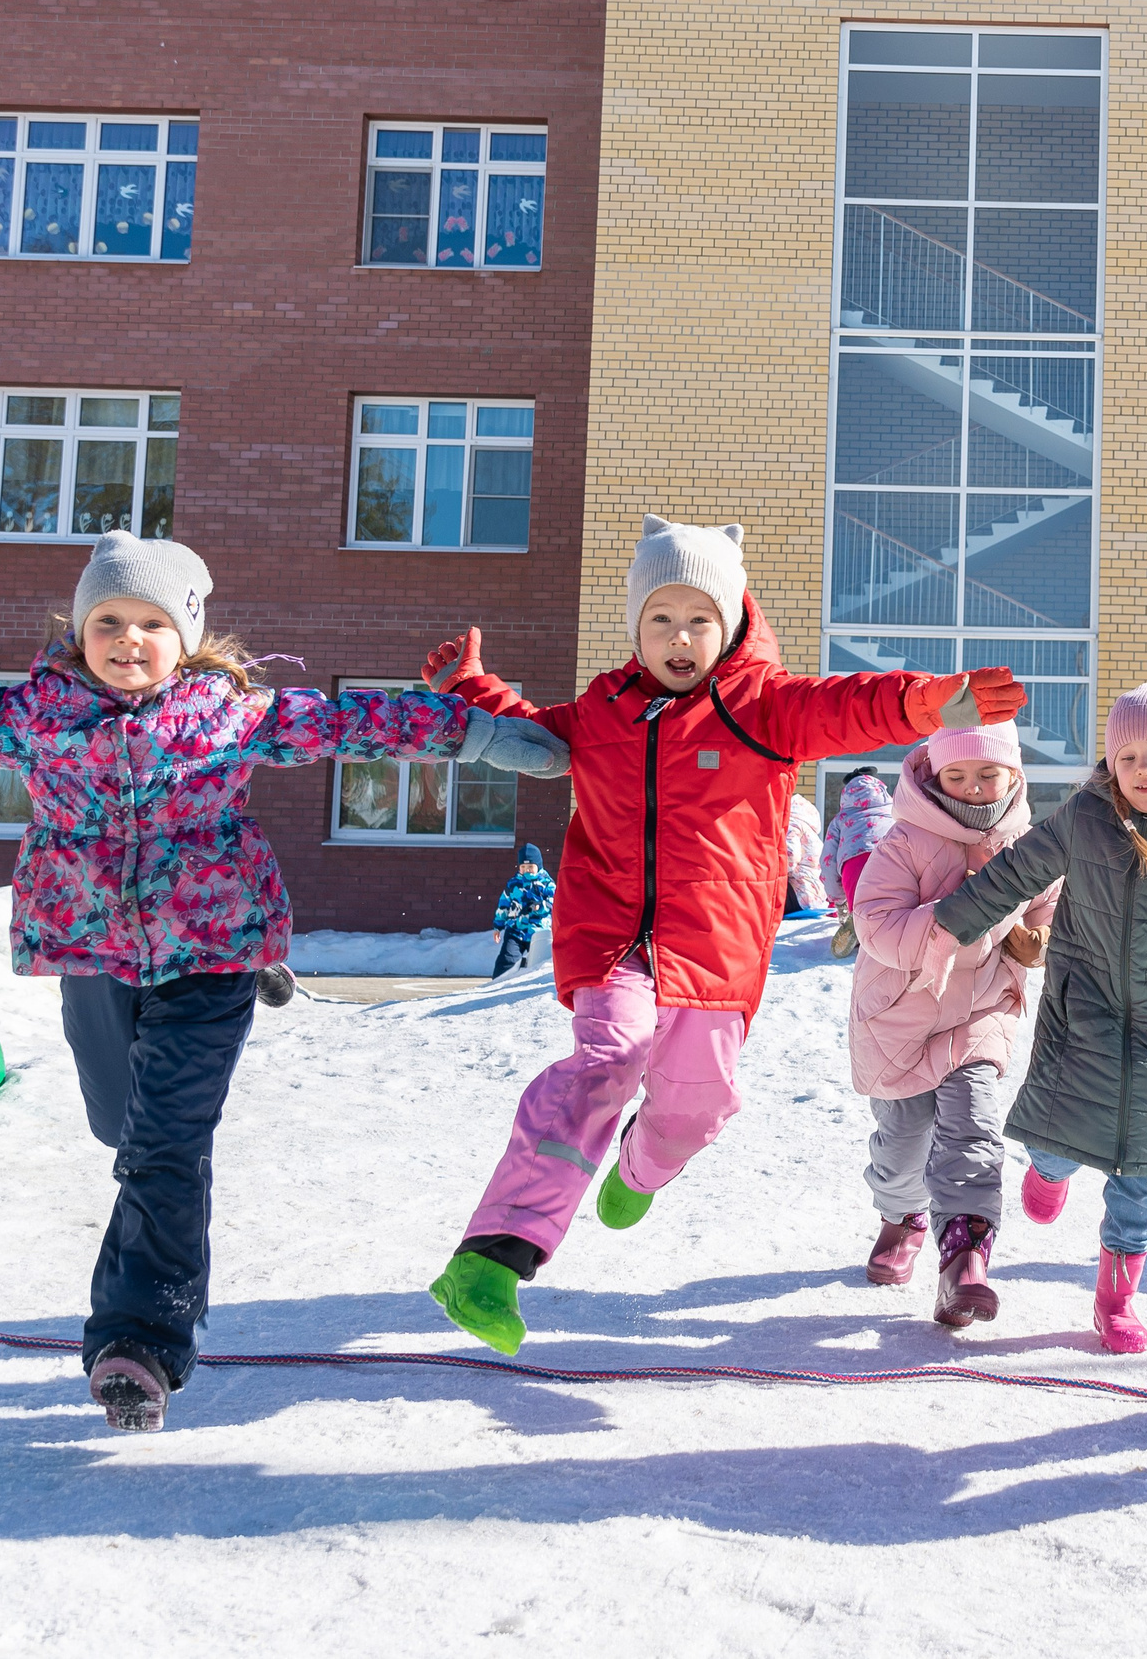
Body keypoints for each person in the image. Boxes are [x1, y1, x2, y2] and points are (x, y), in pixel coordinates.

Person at [0, 532, 566, 1431]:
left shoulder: (233, 713)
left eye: (150, 623)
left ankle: (140, 1342)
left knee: (164, 1142)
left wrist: (482, 732)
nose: (127, 638)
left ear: (187, 635)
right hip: (93, 955)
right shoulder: (36, 712)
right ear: (80, 628)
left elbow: (360, 723)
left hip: (209, 956)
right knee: (120, 1125)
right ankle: (152, 1274)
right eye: (108, 620)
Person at [421, 514, 1026, 1354]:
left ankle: (643, 1160)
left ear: (734, 620)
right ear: (636, 627)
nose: (680, 637)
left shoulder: (763, 708)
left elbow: (850, 708)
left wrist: (932, 701)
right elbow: (532, 736)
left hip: (715, 952)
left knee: (695, 1108)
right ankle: (491, 1258)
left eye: (699, 618)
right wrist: (471, 690)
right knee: (608, 1055)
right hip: (612, 941)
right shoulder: (606, 711)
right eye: (661, 618)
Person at [929, 685, 1147, 1353]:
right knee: (1059, 1141)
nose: (1143, 769)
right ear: (1110, 764)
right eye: (1128, 755)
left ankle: (1114, 1300)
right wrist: (945, 930)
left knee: (1146, 1181)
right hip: (1079, 1021)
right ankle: (1047, 1171)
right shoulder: (1082, 820)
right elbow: (1012, 873)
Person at [845, 722, 1057, 1326]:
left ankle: (965, 1255)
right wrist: (956, 916)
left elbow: (1050, 909)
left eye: (987, 774)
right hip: (900, 1014)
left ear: (1014, 775)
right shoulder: (904, 841)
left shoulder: (1030, 847)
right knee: (904, 1143)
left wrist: (1033, 941)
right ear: (935, 777)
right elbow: (877, 924)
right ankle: (901, 1217)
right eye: (956, 776)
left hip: (980, 1010)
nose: (971, 788)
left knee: (974, 1128)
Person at [823, 765, 895, 960]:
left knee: (859, 902)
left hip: (854, 867)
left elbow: (827, 862)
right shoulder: (894, 811)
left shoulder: (841, 819)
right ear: (880, 787)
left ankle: (860, 922)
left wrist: (837, 900)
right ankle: (891, 927)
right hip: (891, 862)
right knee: (895, 902)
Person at [491, 843, 555, 979]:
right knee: (507, 958)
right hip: (516, 930)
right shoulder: (513, 883)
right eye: (523, 867)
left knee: (538, 962)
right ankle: (499, 980)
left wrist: (541, 906)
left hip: (539, 931)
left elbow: (555, 902)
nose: (527, 871)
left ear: (538, 866)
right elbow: (504, 904)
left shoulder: (546, 883)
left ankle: (533, 984)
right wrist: (498, 925)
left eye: (531, 867)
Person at [785, 792, 829, 914]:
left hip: (799, 892)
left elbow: (789, 857)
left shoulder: (792, 824)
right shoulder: (809, 830)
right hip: (815, 893)